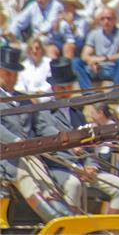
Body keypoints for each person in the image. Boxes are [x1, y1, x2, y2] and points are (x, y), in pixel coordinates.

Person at [34, 57, 119, 214]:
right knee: (74, 185)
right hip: (60, 168)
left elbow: (89, 144)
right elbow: (52, 147)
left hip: (85, 169)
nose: (66, 92)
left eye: (68, 87)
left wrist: (91, 165)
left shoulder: (78, 114)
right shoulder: (43, 113)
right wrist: (74, 168)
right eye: (61, 88)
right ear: (53, 88)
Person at [1, 47, 75, 222]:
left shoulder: (24, 99)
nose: (12, 78)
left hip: (30, 155)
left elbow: (42, 126)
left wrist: (65, 137)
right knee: (27, 175)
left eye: (14, 74)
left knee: (43, 178)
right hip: (6, 157)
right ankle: (52, 218)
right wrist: (17, 142)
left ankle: (62, 215)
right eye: (7, 73)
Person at [72, 7, 119, 89]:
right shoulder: (94, 33)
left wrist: (103, 59)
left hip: (114, 70)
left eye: (109, 18)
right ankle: (88, 92)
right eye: (102, 19)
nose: (106, 21)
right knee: (76, 62)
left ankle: (116, 91)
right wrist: (92, 62)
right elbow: (84, 55)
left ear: (115, 20)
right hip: (98, 70)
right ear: (99, 21)